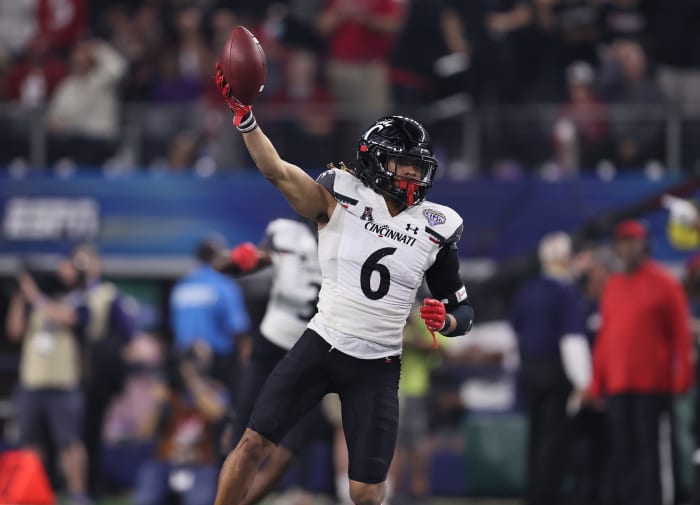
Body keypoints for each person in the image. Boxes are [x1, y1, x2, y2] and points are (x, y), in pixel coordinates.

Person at [212, 65, 474, 505]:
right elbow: (276, 171)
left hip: (378, 364)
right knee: (253, 443)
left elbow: (463, 312)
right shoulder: (340, 195)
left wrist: (446, 320)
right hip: (322, 343)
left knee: (367, 493)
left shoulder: (437, 225)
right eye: (402, 165)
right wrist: (245, 118)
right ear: (375, 159)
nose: (412, 175)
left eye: (417, 167)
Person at [218, 215, 328, 505]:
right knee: (241, 438)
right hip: (272, 342)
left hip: (311, 351)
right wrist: (236, 260)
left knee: (287, 452)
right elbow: (224, 266)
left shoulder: (349, 240)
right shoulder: (287, 232)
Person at [588, 220, 694, 505]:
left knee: (653, 453)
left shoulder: (665, 284)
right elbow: (605, 340)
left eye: (632, 241)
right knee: (623, 451)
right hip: (619, 385)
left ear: (644, 244)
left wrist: (683, 374)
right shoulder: (613, 287)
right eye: (622, 242)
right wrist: (597, 383)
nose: (627, 247)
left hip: (653, 385)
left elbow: (680, 335)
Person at [510, 231, 591, 505]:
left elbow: (517, 332)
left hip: (530, 373)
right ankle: (546, 496)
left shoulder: (527, 290)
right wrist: (583, 381)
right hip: (556, 374)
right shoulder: (564, 291)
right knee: (554, 440)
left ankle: (533, 494)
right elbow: (572, 340)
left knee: (536, 438)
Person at [5, 266, 92, 505]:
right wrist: (20, 298)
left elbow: (70, 319)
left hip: (64, 385)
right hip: (32, 384)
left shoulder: (73, 302)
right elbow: (14, 332)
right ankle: (34, 491)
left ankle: (77, 494)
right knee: (30, 444)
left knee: (70, 442)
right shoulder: (34, 304)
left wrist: (34, 295)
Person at [132, 343, 229, 505]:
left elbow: (216, 414)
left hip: (201, 465)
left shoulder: (215, 389)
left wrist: (193, 381)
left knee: (201, 500)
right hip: (166, 464)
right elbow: (144, 433)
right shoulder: (169, 393)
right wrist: (158, 405)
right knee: (147, 490)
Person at [170, 235, 252, 405]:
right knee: (220, 414)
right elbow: (238, 328)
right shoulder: (224, 285)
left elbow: (174, 326)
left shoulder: (181, 286)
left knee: (191, 411)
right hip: (217, 362)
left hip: (185, 361)